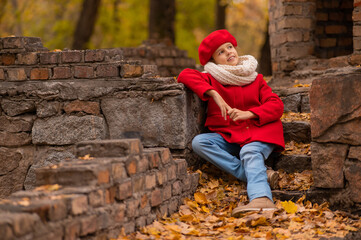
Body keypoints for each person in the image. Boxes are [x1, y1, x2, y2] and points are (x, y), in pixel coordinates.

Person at [177, 29, 285, 217]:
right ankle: (253, 174)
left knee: (249, 151)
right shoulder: (211, 78)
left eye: (229, 47)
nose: (228, 52)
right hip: (230, 136)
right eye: (221, 52)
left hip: (259, 132)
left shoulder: (256, 78)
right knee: (199, 143)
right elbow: (185, 74)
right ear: (213, 61)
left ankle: (262, 200)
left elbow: (276, 105)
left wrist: (249, 113)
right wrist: (214, 93)